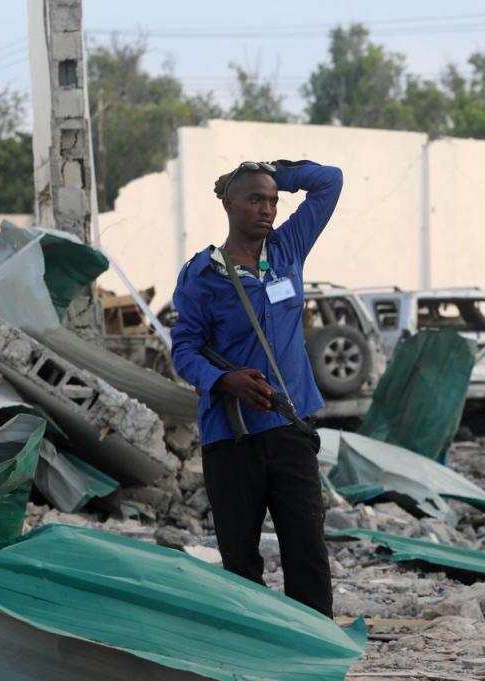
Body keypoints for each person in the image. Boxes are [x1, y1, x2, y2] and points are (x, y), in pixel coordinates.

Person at [170, 158, 343, 617]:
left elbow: (330, 180)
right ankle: (252, 654)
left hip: (289, 427)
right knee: (240, 559)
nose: (267, 208)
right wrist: (224, 380)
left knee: (306, 550)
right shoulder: (202, 276)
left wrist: (267, 173)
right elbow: (183, 350)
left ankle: (313, 651)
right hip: (233, 437)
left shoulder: (288, 250)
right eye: (254, 199)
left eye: (273, 200)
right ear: (228, 204)